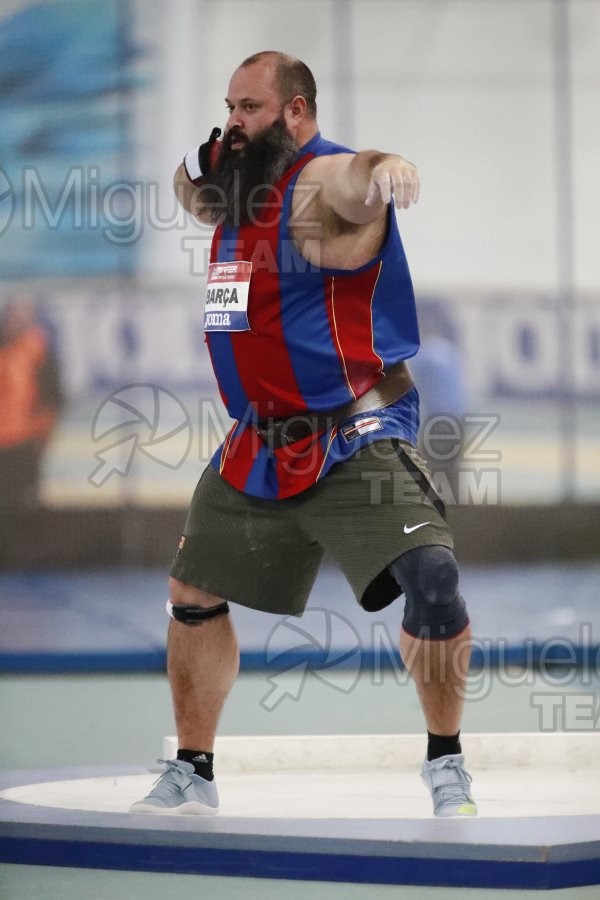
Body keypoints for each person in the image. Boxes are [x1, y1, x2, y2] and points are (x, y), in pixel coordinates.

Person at [131, 51, 477, 818]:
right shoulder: (239, 183)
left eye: (249, 107)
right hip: (257, 438)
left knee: (433, 580)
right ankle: (194, 768)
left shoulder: (322, 184)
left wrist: (391, 166)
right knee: (191, 591)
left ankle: (446, 763)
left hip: (354, 433)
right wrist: (208, 152)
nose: (233, 121)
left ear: (295, 112)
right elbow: (188, 187)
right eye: (228, 107)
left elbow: (360, 175)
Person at [0, 295, 63, 511]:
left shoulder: (39, 351)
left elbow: (53, 401)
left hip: (23, 445)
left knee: (21, 508)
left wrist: (40, 437)